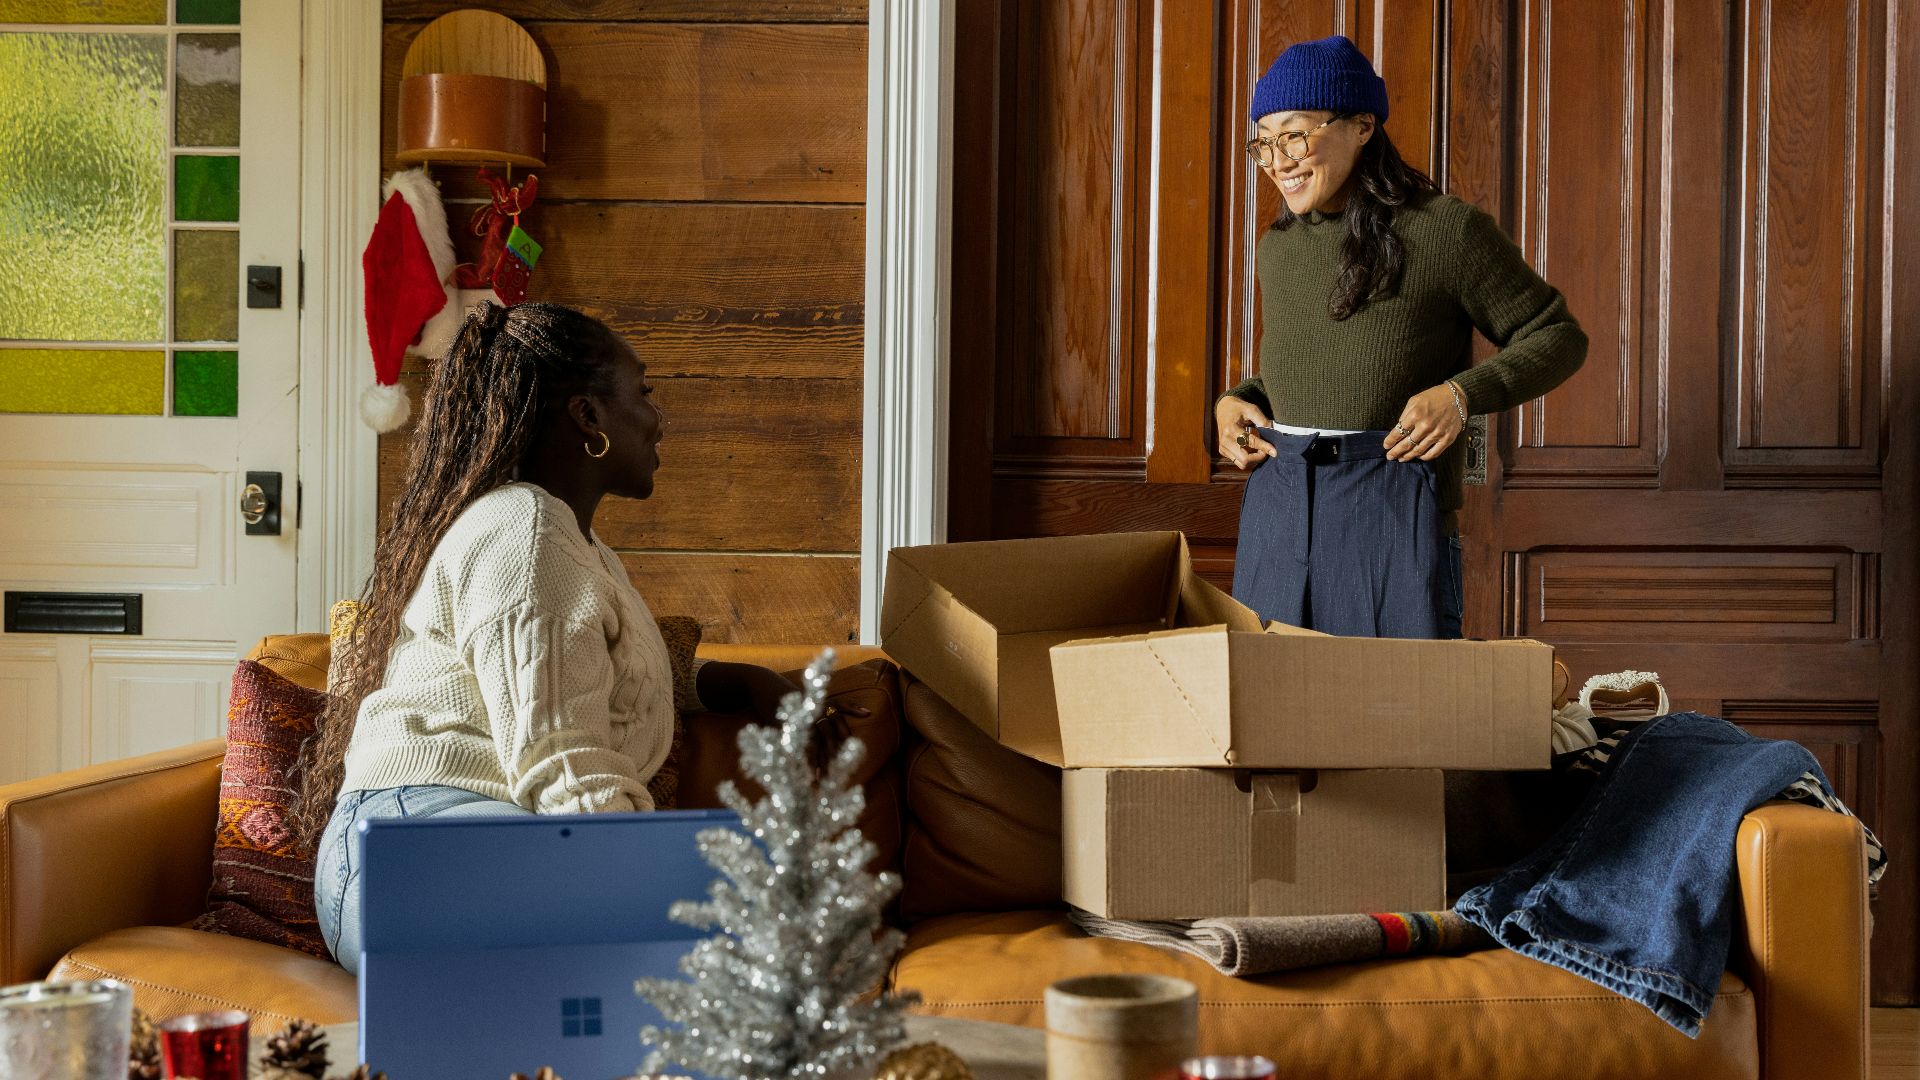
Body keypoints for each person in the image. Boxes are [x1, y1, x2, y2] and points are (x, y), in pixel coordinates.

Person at [293, 302, 797, 972]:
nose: (657, 418)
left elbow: (604, 669)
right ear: (589, 417)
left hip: (441, 847)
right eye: (642, 394)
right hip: (415, 850)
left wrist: (736, 681)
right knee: (732, 934)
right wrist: (645, 888)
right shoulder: (527, 536)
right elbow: (561, 760)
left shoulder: (570, 544)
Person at [1217, 35, 1587, 640]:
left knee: (1396, 720)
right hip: (1276, 508)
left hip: (1390, 503)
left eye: (1294, 134)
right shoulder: (1278, 249)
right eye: (1264, 142)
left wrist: (1461, 396)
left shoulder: (1446, 231)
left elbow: (1558, 336)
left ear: (1362, 125)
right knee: (1267, 714)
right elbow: (1314, 366)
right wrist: (1235, 399)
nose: (1278, 160)